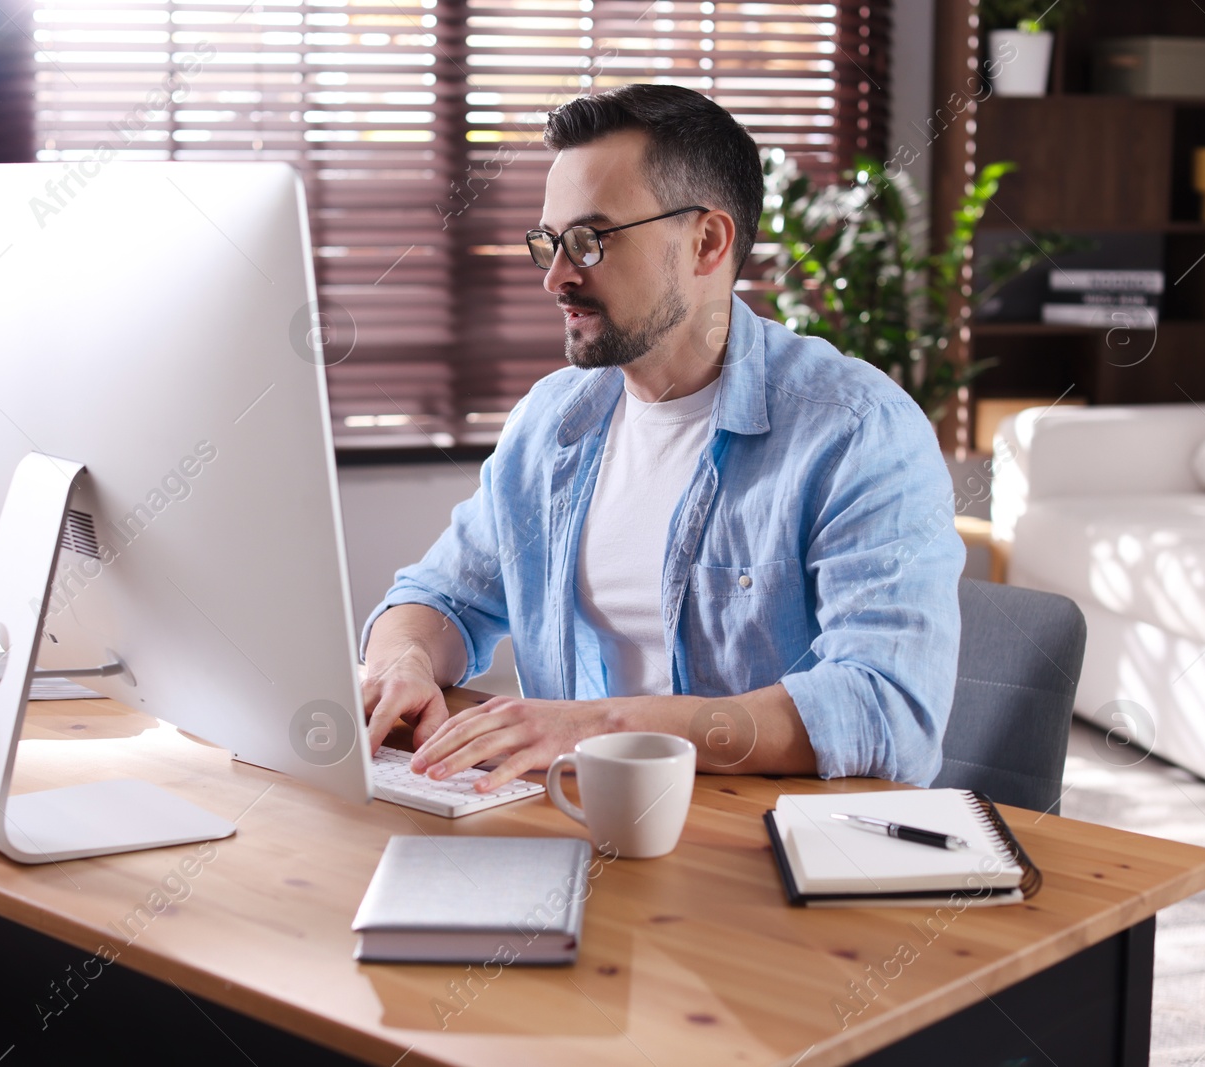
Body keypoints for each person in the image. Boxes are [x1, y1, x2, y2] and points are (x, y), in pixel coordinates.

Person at [358, 84, 963, 792]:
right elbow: (441, 598)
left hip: (761, 857)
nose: (556, 275)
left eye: (589, 239)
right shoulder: (551, 423)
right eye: (548, 242)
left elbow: (885, 705)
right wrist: (401, 661)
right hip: (573, 820)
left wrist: (597, 727)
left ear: (707, 241)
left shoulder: (858, 431)